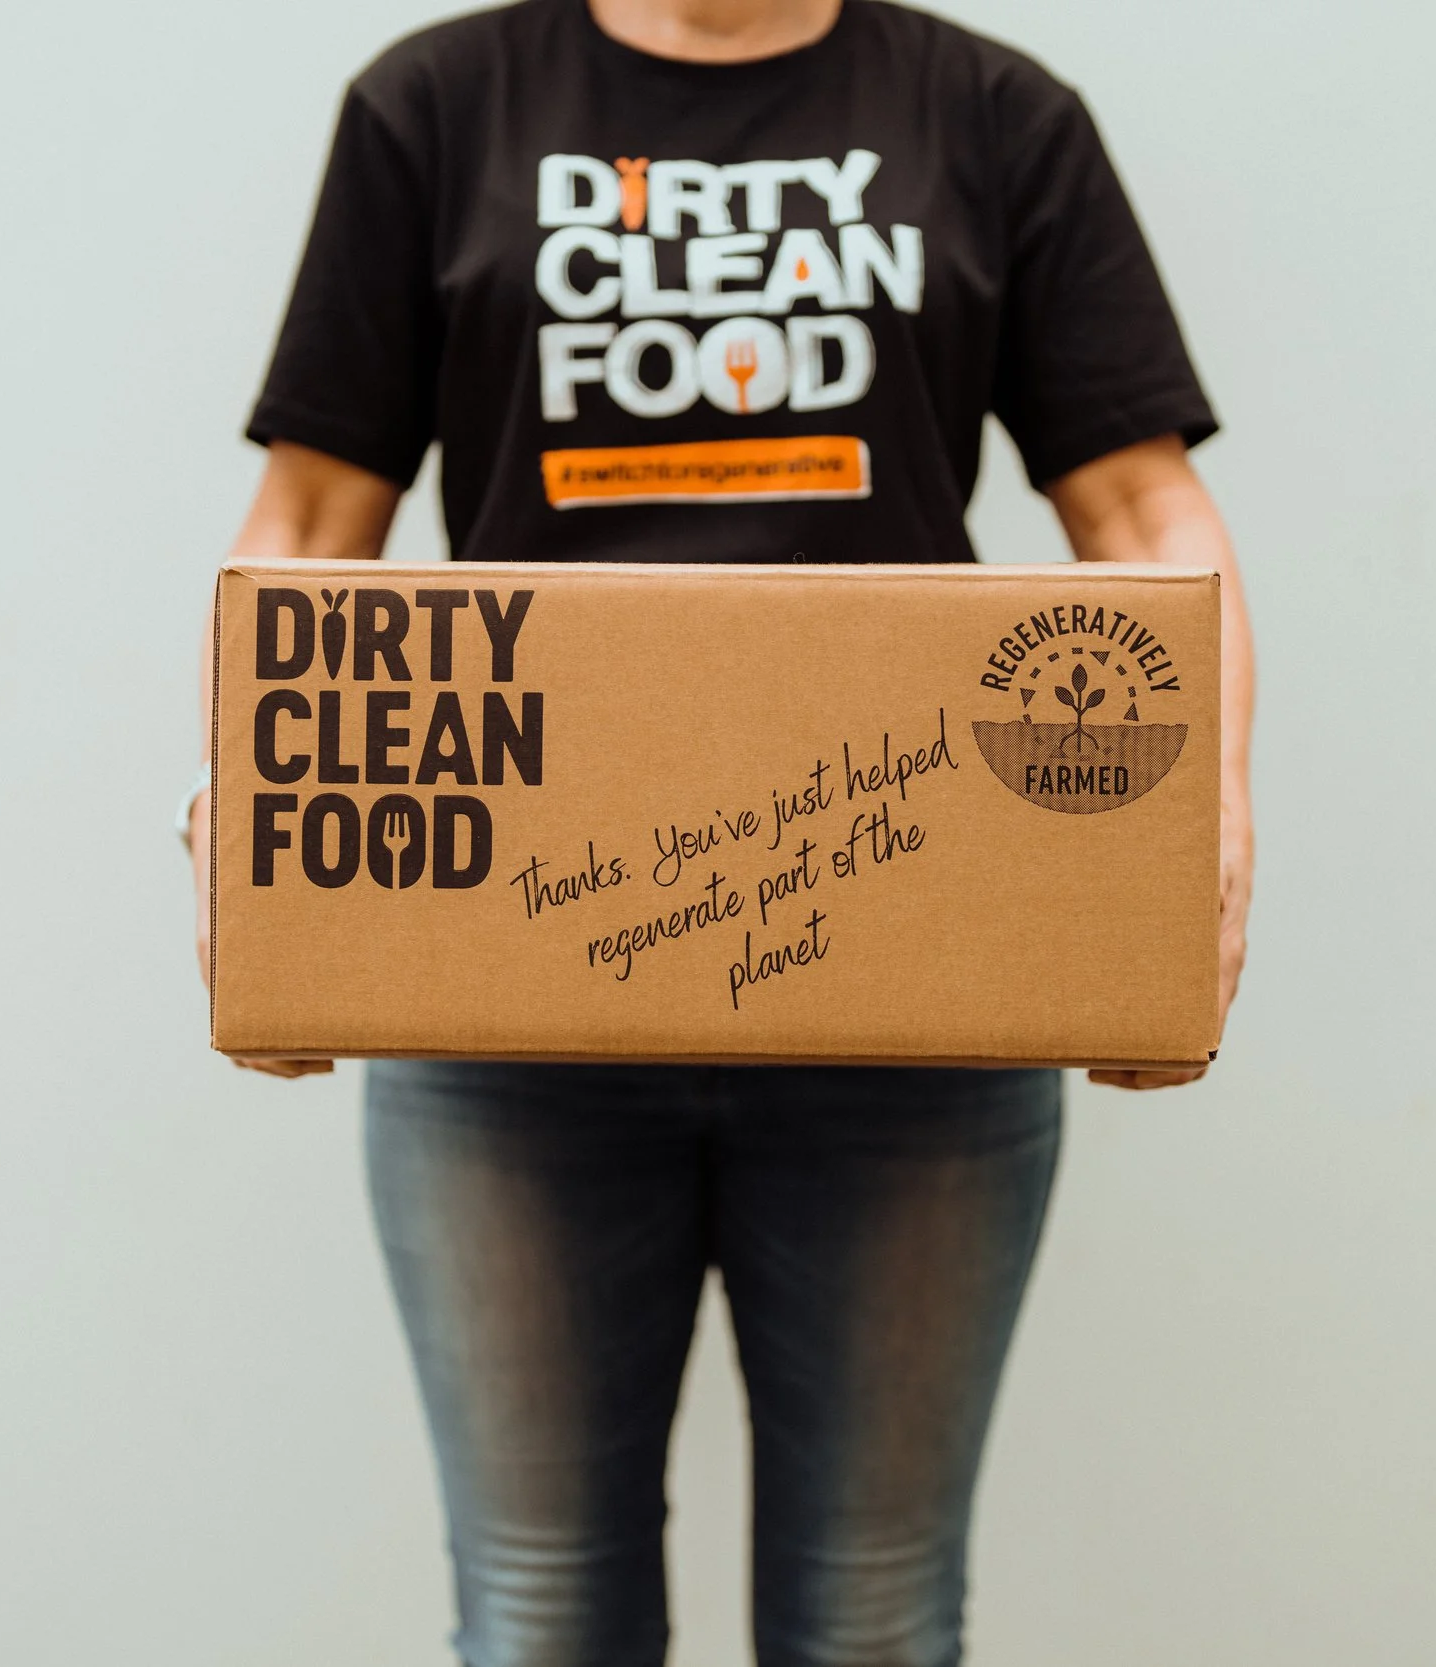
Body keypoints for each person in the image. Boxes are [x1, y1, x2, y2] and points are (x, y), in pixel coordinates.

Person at [186, 1, 1256, 1661]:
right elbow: (313, 520)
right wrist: (257, 823)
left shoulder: (988, 113)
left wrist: (1202, 822)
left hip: (911, 997)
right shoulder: (438, 107)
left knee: (875, 1619)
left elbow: (1143, 511)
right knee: (540, 1617)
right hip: (513, 1008)